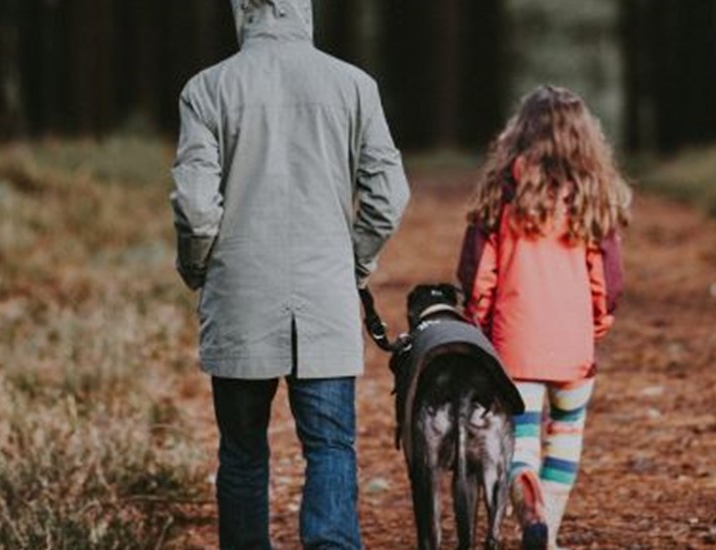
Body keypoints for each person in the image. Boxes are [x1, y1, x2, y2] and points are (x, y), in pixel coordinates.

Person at [170, 1, 410, 548]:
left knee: (243, 452)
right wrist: (354, 261)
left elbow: (195, 206)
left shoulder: (207, 89)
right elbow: (388, 194)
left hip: (238, 296)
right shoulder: (353, 85)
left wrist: (198, 267)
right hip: (325, 296)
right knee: (329, 446)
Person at [457, 86, 628, 550]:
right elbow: (607, 281)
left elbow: (478, 277)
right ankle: (547, 534)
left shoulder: (502, 194)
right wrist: (598, 322)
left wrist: (476, 322)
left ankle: (526, 502)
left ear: (520, 135)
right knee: (567, 432)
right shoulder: (593, 197)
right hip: (575, 344)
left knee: (523, 438)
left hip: (515, 343)